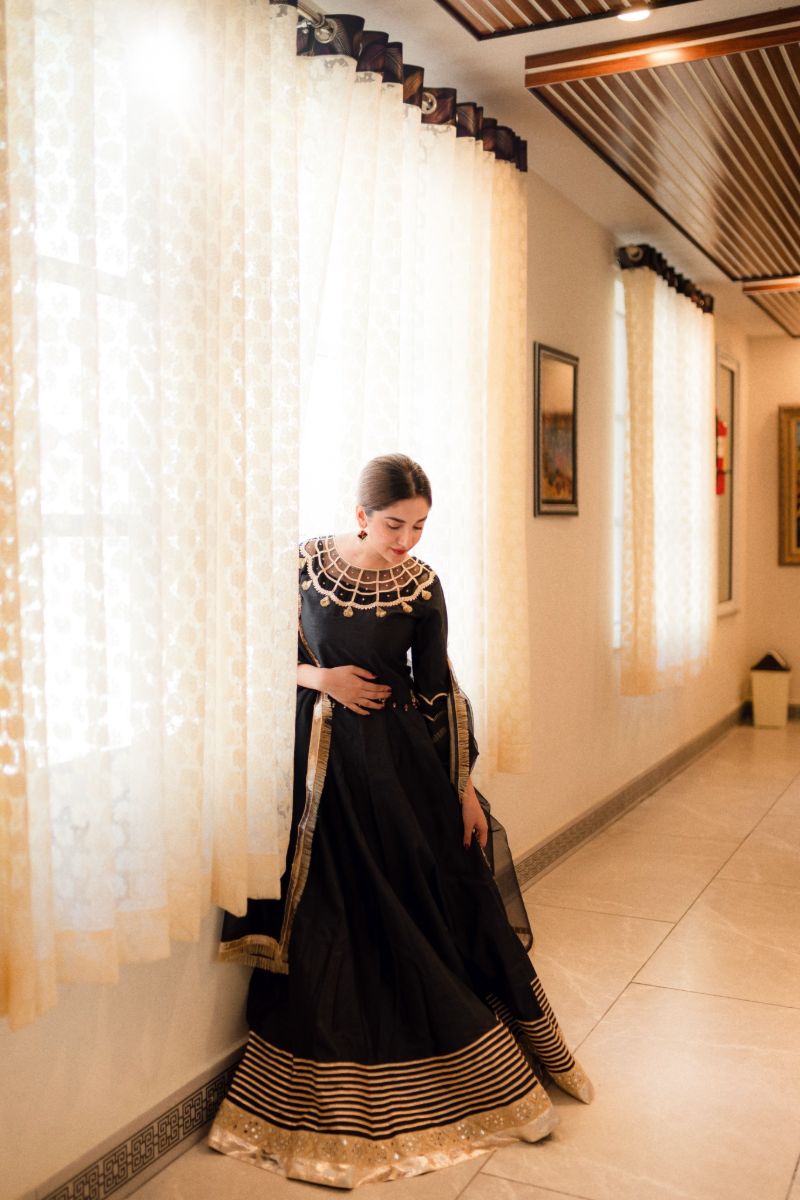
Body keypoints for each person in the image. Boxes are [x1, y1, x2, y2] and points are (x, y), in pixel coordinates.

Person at [208, 453, 593, 1188]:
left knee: (415, 905)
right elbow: (250, 654)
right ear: (361, 515)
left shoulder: (422, 584)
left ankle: (457, 1061)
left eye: (418, 526)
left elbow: (438, 689)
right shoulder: (301, 567)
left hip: (397, 770)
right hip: (319, 771)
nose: (407, 540)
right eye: (394, 525)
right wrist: (320, 677)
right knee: (333, 913)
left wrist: (464, 788)